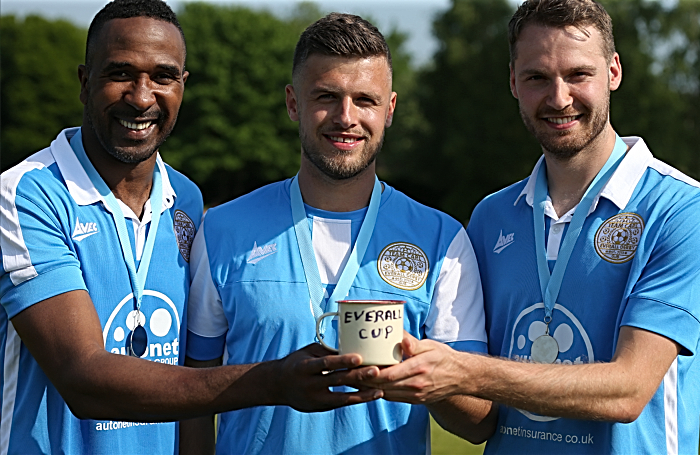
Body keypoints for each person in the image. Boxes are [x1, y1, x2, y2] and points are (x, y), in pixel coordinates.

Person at [0, 2, 382, 454]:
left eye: (162, 77)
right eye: (120, 73)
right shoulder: (26, 193)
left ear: (182, 86)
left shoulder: (185, 198)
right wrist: (273, 381)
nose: (141, 97)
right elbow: (83, 378)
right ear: (86, 83)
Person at [361, 0, 700, 453]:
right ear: (513, 83)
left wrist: (464, 371)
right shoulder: (490, 218)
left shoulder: (680, 208)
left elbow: (627, 390)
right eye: (537, 77)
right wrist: (415, 370)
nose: (559, 98)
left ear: (614, 72)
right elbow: (480, 421)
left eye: (579, 74)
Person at [181, 12, 494, 455]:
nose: (346, 118)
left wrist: (419, 372)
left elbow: (478, 421)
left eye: (365, 100)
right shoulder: (223, 230)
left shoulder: (443, 240)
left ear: (390, 110)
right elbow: (192, 389)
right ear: (294, 103)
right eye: (326, 96)